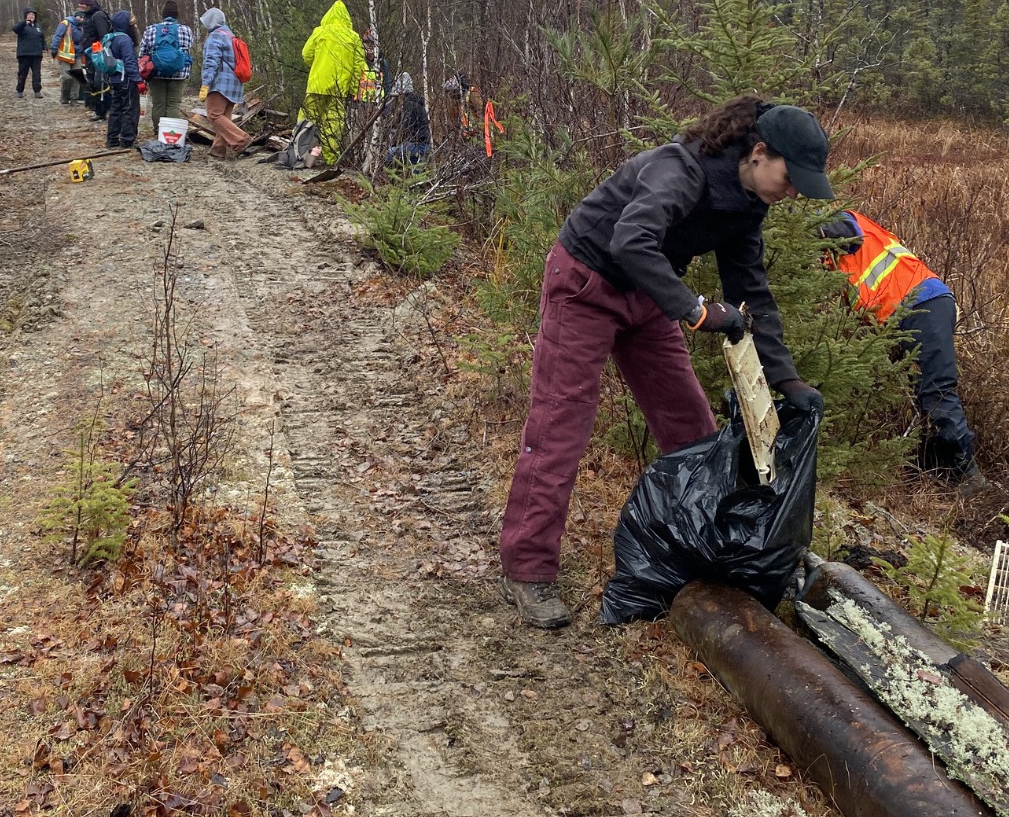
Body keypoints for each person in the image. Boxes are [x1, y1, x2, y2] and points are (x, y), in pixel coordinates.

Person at [498, 96, 832, 630]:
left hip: (649, 296)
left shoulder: (748, 204)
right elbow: (631, 240)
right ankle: (528, 569)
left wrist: (787, 379)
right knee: (561, 425)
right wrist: (695, 311)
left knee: (692, 430)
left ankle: (699, 553)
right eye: (791, 178)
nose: (792, 193)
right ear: (759, 152)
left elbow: (751, 292)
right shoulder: (679, 169)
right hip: (586, 283)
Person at [820, 210, 985, 493]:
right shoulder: (835, 259)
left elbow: (845, 231)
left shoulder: (845, 222)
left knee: (937, 391)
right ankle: (937, 470)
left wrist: (802, 230)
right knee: (923, 394)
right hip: (910, 312)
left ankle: (968, 475)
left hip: (923, 304)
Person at [300, 0, 366, 163]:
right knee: (334, 124)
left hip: (317, 84)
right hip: (339, 89)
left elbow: (306, 54)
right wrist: (353, 89)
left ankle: (301, 154)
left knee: (307, 119)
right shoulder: (354, 37)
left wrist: (317, 65)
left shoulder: (320, 32)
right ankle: (331, 159)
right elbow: (359, 66)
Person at [198, 7, 251, 159]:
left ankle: (241, 140)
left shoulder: (215, 36)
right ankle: (218, 150)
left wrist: (206, 83)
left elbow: (211, 62)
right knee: (224, 118)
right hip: (235, 84)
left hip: (220, 83)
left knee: (214, 115)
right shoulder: (230, 35)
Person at [138, 0, 194, 136]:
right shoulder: (186, 30)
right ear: (176, 15)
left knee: (158, 103)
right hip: (179, 73)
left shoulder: (151, 30)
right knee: (173, 104)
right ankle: (169, 134)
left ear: (163, 15)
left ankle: (158, 132)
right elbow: (189, 48)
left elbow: (142, 53)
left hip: (156, 72)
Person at [104, 10, 141, 149]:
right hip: (126, 79)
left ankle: (112, 140)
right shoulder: (125, 40)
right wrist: (138, 80)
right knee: (130, 109)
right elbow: (129, 61)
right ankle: (127, 140)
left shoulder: (111, 38)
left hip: (114, 79)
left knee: (115, 109)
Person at [76, 0, 112, 122]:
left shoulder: (98, 16)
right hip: (89, 55)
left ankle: (105, 110)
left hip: (98, 56)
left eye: (83, 3)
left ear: (89, 3)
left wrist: (99, 53)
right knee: (92, 81)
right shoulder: (88, 16)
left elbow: (104, 37)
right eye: (79, 3)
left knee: (100, 82)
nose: (80, 5)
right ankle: (98, 111)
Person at [384, 72, 432, 166]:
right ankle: (414, 174)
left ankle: (390, 173)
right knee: (415, 166)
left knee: (390, 152)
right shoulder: (417, 103)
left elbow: (405, 128)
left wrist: (394, 143)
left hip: (418, 145)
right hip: (423, 144)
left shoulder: (409, 105)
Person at [49, 11, 84, 105]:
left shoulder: (82, 27)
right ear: (76, 16)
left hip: (77, 55)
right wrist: (54, 48)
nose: (82, 19)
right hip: (65, 55)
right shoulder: (65, 23)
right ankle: (64, 96)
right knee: (66, 77)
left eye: (83, 17)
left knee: (77, 77)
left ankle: (74, 98)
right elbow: (57, 35)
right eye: (80, 17)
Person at [12, 7, 46, 97]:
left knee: (37, 74)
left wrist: (44, 46)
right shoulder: (22, 25)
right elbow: (15, 29)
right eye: (29, 14)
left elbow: (42, 37)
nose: (31, 16)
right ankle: (19, 90)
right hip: (24, 54)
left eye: (33, 14)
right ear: (26, 16)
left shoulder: (38, 27)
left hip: (37, 54)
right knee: (22, 74)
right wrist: (24, 22)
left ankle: (37, 91)